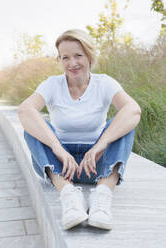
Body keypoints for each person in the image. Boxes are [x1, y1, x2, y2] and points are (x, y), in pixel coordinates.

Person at [18, 29, 141, 231]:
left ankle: (102, 197)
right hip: (60, 167)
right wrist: (58, 149)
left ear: (89, 56)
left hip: (96, 165)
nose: (72, 63)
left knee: (125, 124)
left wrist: (99, 147)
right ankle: (69, 196)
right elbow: (24, 110)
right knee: (32, 127)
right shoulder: (52, 84)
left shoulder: (104, 83)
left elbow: (133, 110)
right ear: (59, 60)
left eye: (78, 55)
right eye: (65, 57)